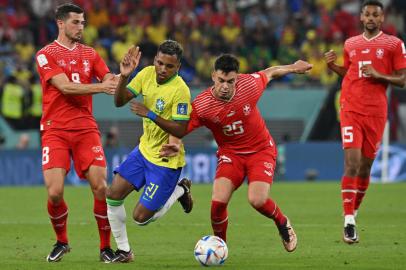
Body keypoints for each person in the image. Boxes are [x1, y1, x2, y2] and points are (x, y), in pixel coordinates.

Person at [130, 53, 312, 252]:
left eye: (230, 81)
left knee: (257, 200)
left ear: (237, 79)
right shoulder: (202, 105)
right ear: (213, 77)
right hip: (230, 154)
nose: (225, 86)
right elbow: (181, 126)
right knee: (217, 204)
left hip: (260, 151)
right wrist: (174, 142)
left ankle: (282, 222)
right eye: (221, 80)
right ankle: (220, 247)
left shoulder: (249, 86)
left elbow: (270, 73)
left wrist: (294, 67)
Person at [35, 3, 118, 262]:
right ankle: (62, 242)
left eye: (83, 22)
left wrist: (120, 77)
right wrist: (101, 88)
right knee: (55, 192)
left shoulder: (91, 54)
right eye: (75, 22)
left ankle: (105, 249)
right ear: (61, 23)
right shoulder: (45, 54)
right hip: (55, 130)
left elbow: (108, 79)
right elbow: (65, 88)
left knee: (100, 186)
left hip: (85, 128)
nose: (81, 27)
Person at [325, 0, 406, 244]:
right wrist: (332, 66)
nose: (370, 18)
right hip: (350, 107)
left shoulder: (394, 44)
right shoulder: (350, 43)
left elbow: (402, 80)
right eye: (367, 14)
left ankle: (354, 210)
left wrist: (379, 74)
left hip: (376, 111)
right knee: (352, 163)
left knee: (365, 167)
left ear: (382, 19)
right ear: (361, 17)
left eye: (375, 15)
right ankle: (348, 220)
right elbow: (350, 73)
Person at [106, 40, 193, 263]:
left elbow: (181, 129)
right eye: (160, 63)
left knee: (141, 218)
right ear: (154, 60)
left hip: (166, 161)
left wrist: (150, 114)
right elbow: (118, 102)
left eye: (169, 66)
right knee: (113, 195)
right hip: (144, 151)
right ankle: (124, 251)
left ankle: (180, 190)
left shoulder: (181, 91)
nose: (163, 69)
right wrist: (124, 76)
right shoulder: (145, 74)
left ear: (178, 67)